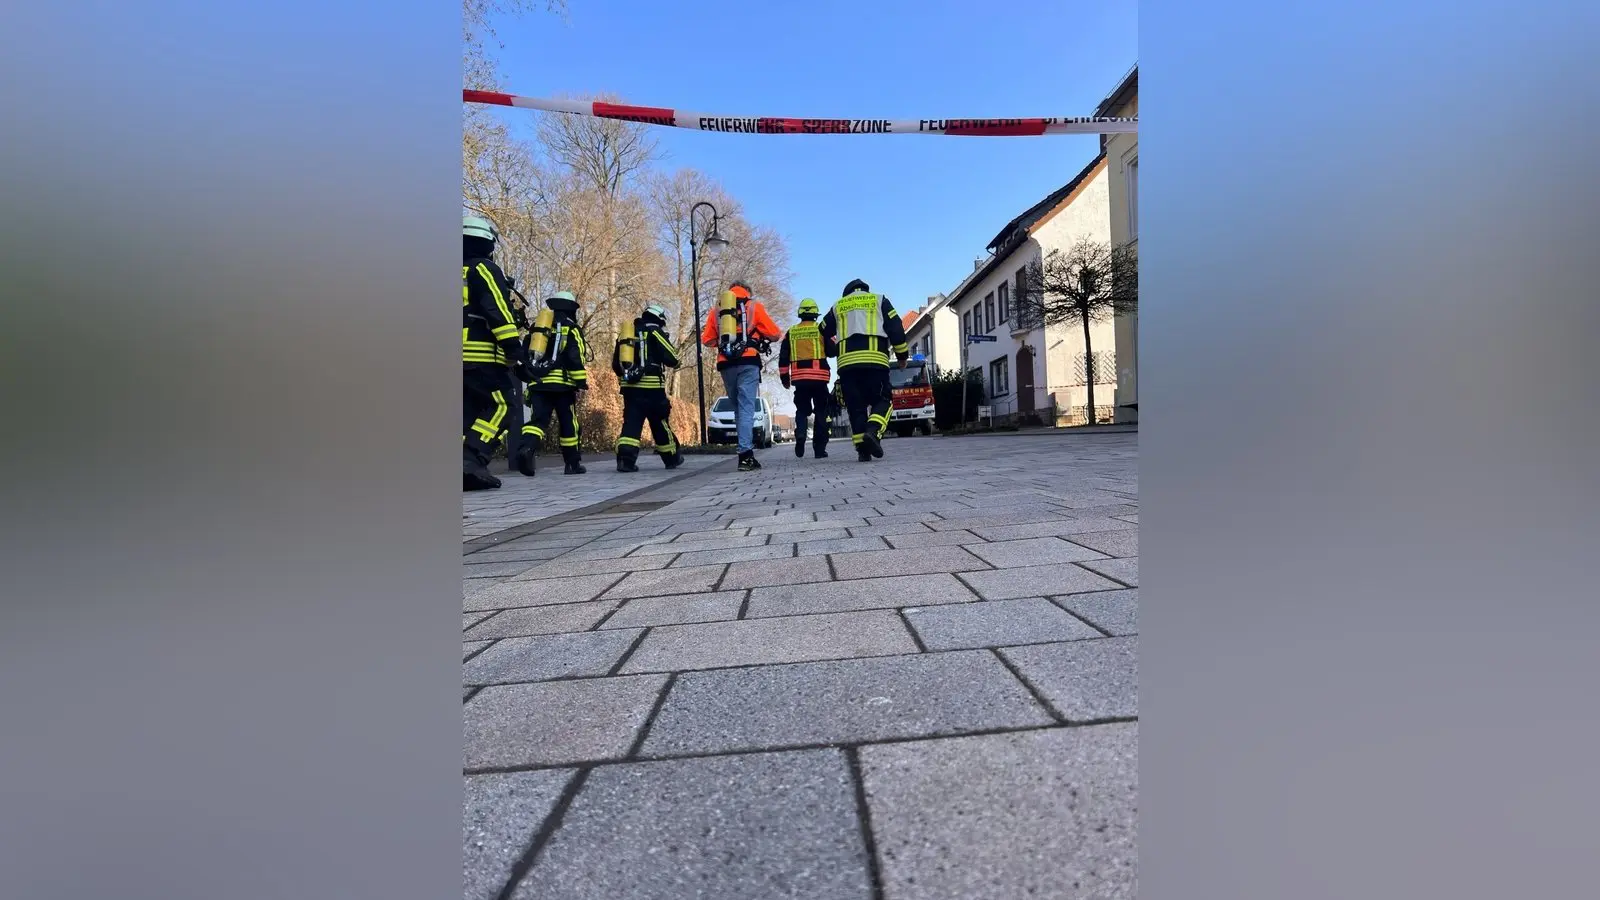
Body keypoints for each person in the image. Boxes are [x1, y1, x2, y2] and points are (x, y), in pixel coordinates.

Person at [462, 214, 533, 491]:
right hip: (479, 357)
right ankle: (470, 460)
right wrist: (515, 352)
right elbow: (498, 312)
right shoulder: (483, 268)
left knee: (466, 413)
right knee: (503, 404)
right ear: (486, 243)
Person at [819, 278, 909, 462]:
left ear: (847, 293)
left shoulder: (839, 306)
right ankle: (873, 432)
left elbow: (823, 329)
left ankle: (863, 451)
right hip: (875, 362)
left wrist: (833, 346)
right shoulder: (879, 300)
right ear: (865, 289)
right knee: (883, 400)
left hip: (847, 365)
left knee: (856, 407)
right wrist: (902, 356)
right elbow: (896, 327)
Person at [700, 281, 781, 471]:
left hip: (726, 364)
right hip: (748, 362)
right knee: (746, 408)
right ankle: (745, 456)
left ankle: (745, 452)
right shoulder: (753, 306)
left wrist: (725, 341)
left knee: (738, 409)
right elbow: (775, 334)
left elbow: (707, 340)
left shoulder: (717, 311)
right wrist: (756, 337)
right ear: (747, 291)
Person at [513, 291, 589, 476]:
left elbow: (525, 354)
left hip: (538, 384)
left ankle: (526, 450)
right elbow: (575, 357)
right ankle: (572, 464)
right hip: (562, 386)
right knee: (568, 423)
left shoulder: (538, 327)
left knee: (537, 421)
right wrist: (580, 381)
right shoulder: (571, 328)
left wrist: (531, 377)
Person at [612, 303, 684, 472]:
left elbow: (616, 364)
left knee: (631, 423)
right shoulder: (655, 331)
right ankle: (672, 458)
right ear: (659, 319)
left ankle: (625, 461)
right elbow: (672, 358)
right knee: (659, 423)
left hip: (630, 389)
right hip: (653, 389)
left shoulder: (626, 334)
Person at [778, 297, 836, 459]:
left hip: (800, 380)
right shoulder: (822, 330)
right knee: (821, 412)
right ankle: (819, 450)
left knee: (802, 410)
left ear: (800, 314)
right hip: (820, 379)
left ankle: (801, 434)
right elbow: (833, 351)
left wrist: (784, 378)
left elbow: (783, 357)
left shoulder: (791, 332)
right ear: (816, 315)